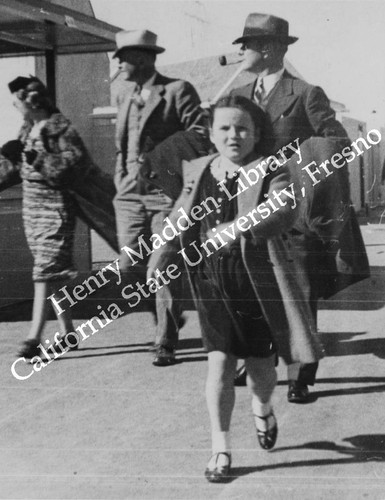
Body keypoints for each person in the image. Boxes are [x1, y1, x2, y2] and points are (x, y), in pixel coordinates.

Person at [149, 95, 321, 481]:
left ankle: (262, 408)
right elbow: (182, 213)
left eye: (242, 128)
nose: (233, 135)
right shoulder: (199, 169)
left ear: (257, 133)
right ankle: (220, 449)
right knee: (220, 362)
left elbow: (283, 209)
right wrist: (163, 243)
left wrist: (237, 227)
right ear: (210, 133)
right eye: (224, 128)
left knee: (261, 366)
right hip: (210, 280)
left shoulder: (271, 168)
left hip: (255, 283)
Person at [230, 13, 351, 402]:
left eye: (246, 45)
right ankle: (255, 361)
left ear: (267, 49)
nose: (240, 51)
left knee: (298, 293)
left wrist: (299, 177)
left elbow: (336, 142)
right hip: (249, 211)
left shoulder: (305, 93)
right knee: (252, 288)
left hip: (293, 216)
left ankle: (301, 375)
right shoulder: (240, 97)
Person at [112, 29, 207, 366]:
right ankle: (170, 309)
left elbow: (200, 135)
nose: (118, 62)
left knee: (162, 267)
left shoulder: (177, 90)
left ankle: (165, 340)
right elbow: (121, 147)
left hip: (166, 196)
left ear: (144, 58)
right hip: (129, 197)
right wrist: (121, 178)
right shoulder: (123, 97)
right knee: (127, 266)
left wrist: (161, 159)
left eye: (123, 56)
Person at [5, 77, 82, 359]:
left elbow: (72, 165)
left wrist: (35, 157)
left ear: (31, 101)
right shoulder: (28, 128)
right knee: (55, 276)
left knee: (43, 272)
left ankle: (33, 336)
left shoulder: (60, 127)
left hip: (56, 209)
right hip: (33, 210)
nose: (15, 107)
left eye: (17, 102)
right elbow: (17, 167)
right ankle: (68, 332)